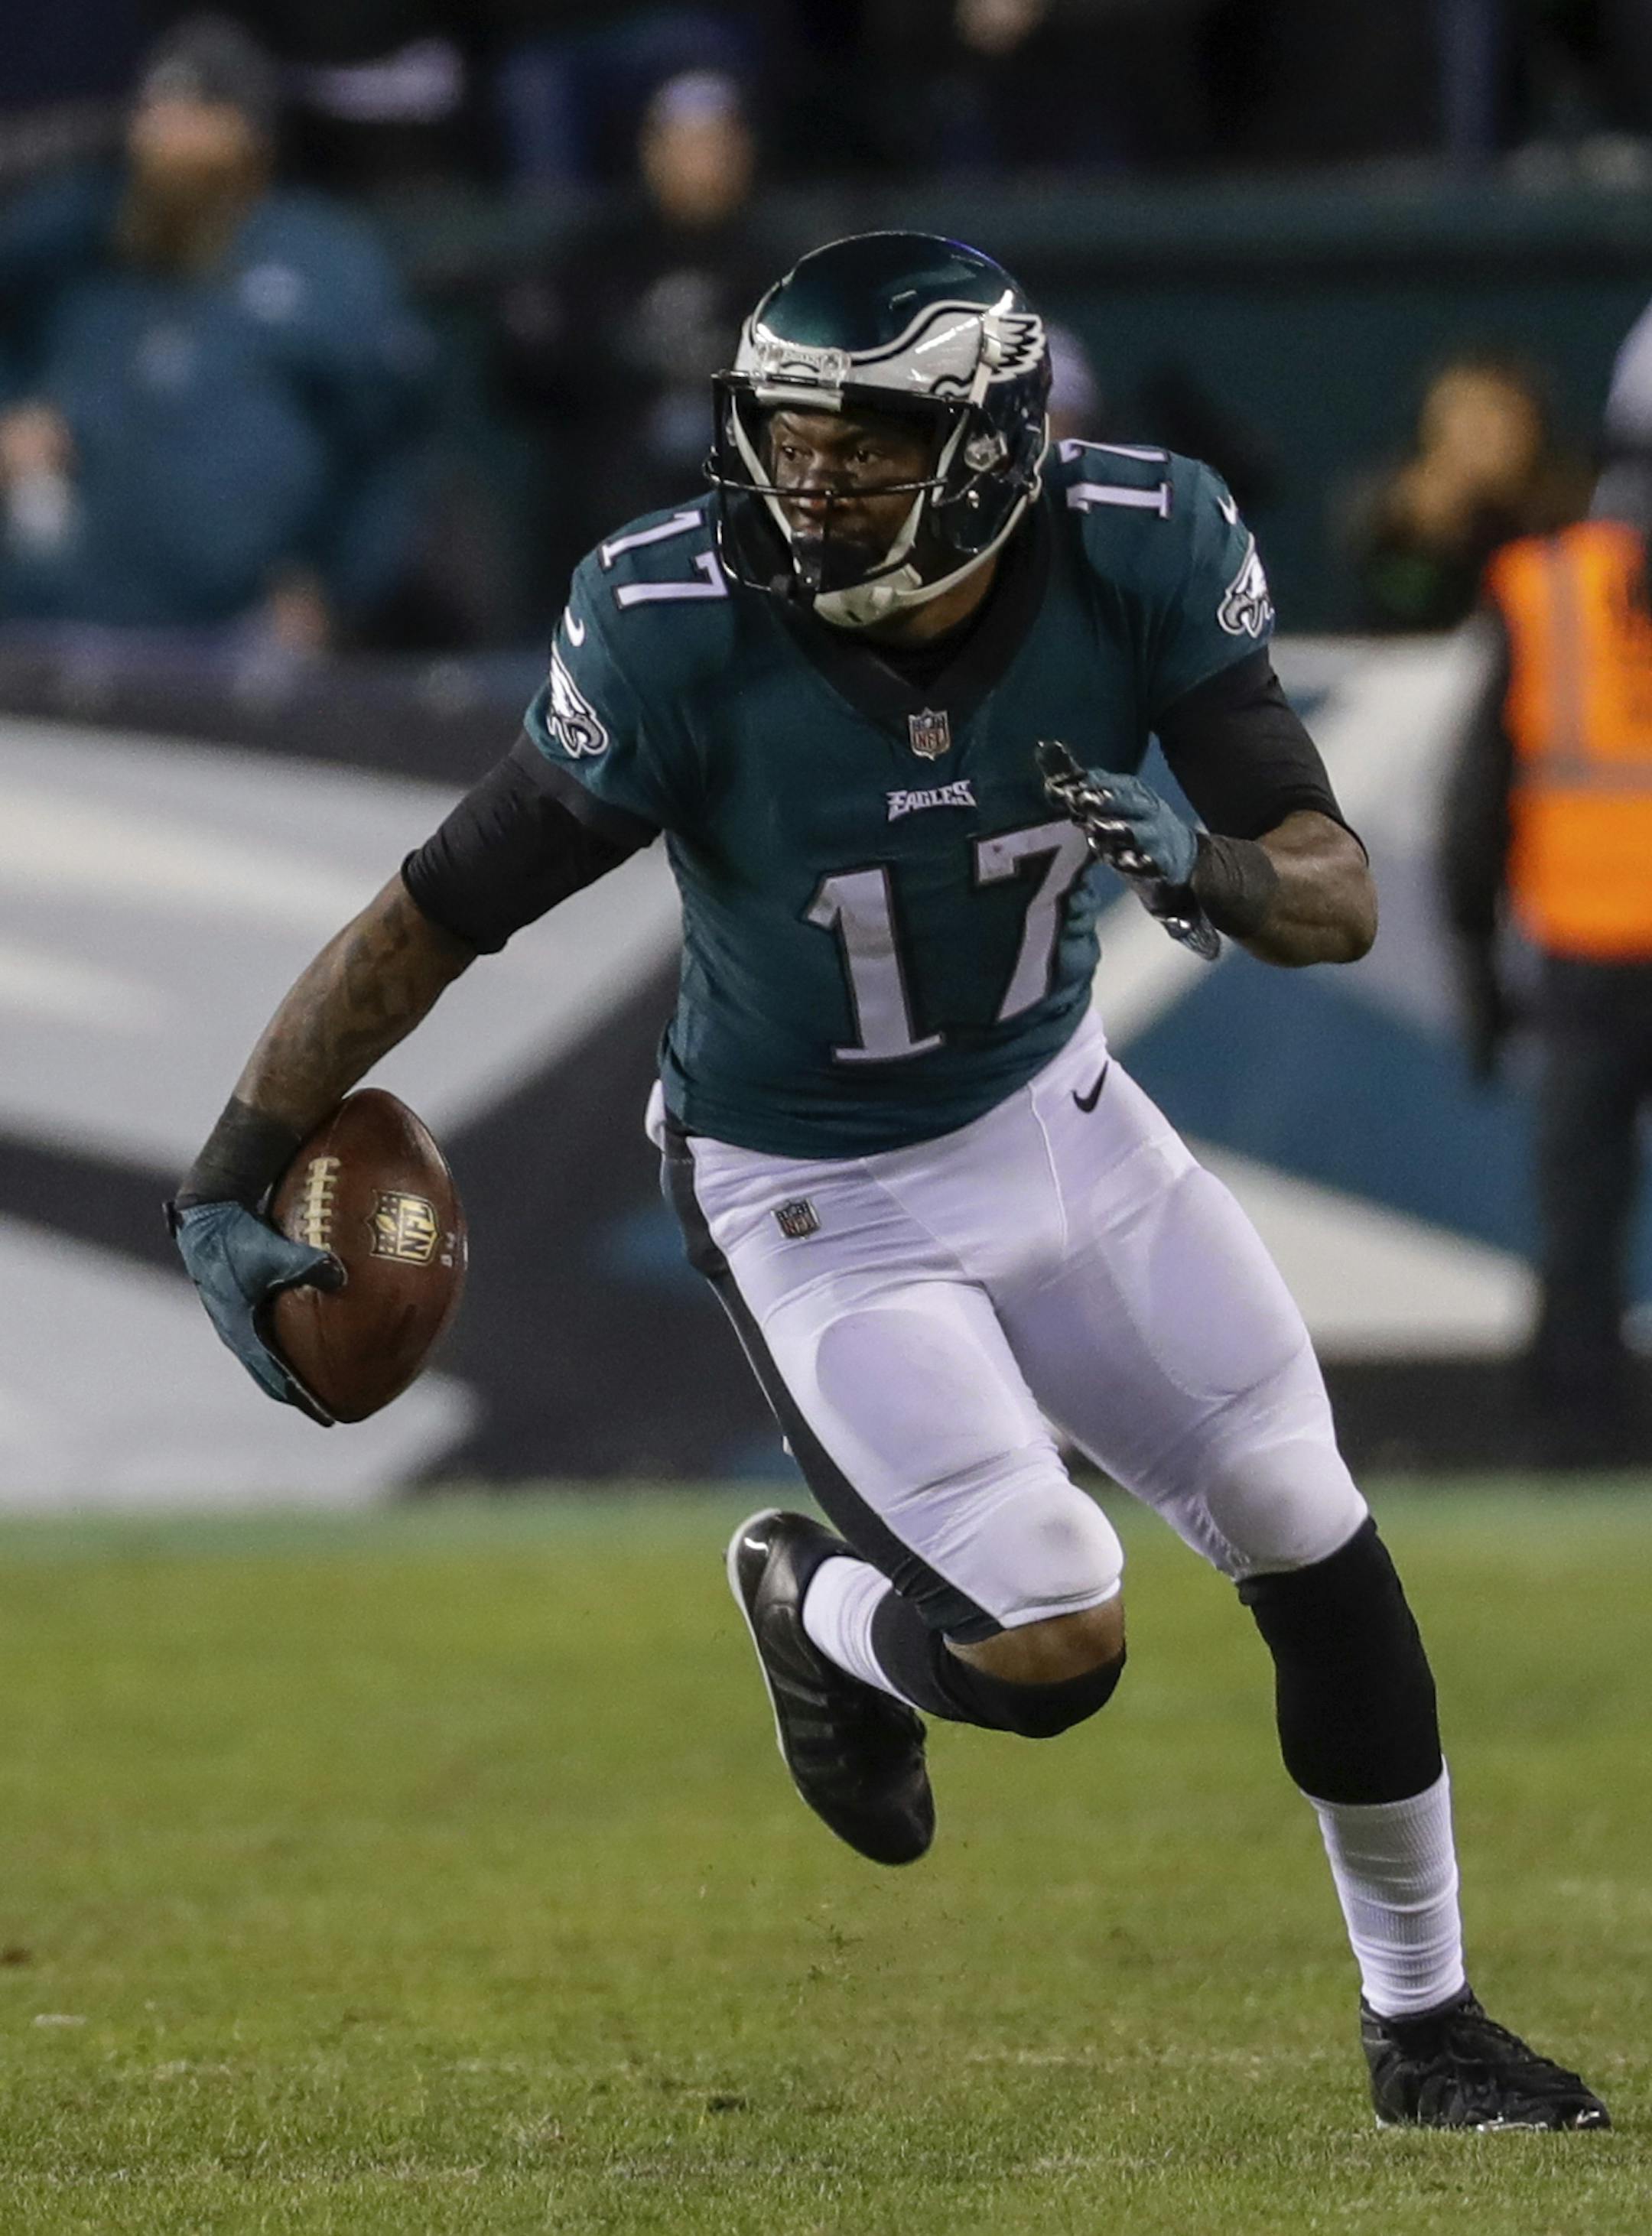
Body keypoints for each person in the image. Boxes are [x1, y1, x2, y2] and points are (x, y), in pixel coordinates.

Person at [169, 231, 1608, 2132]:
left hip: (1054, 1115)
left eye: (859, 445)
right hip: (807, 1180)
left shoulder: (1141, 540)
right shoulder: (674, 620)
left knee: (1300, 1511)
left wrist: (1214, 864)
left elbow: (1326, 886)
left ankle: (1421, 2024)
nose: (805, 479)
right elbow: (433, 913)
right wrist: (231, 1163)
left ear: (996, 448)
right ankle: (814, 1609)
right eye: (783, 435)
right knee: (1050, 1637)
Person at [0, 15, 434, 647]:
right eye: (155, 109)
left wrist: (334, 589)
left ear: (252, 135)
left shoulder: (324, 259)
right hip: (44, 627)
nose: (166, 134)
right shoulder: (78, 238)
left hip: (234, 643)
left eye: (196, 111)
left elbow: (392, 446)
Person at [1442, 502, 1652, 1428]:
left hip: (1584, 943)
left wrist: (1477, 966)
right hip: (1583, 942)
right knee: (1576, 1199)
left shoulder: (1547, 586)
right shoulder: (1543, 586)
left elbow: (1477, 799)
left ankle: (1577, 1419)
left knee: (1579, 1202)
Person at [1346, 354, 1587, 633]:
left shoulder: (1573, 522)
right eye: (1463, 417)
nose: (1479, 435)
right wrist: (1423, 538)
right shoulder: (1393, 524)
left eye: (1496, 413)